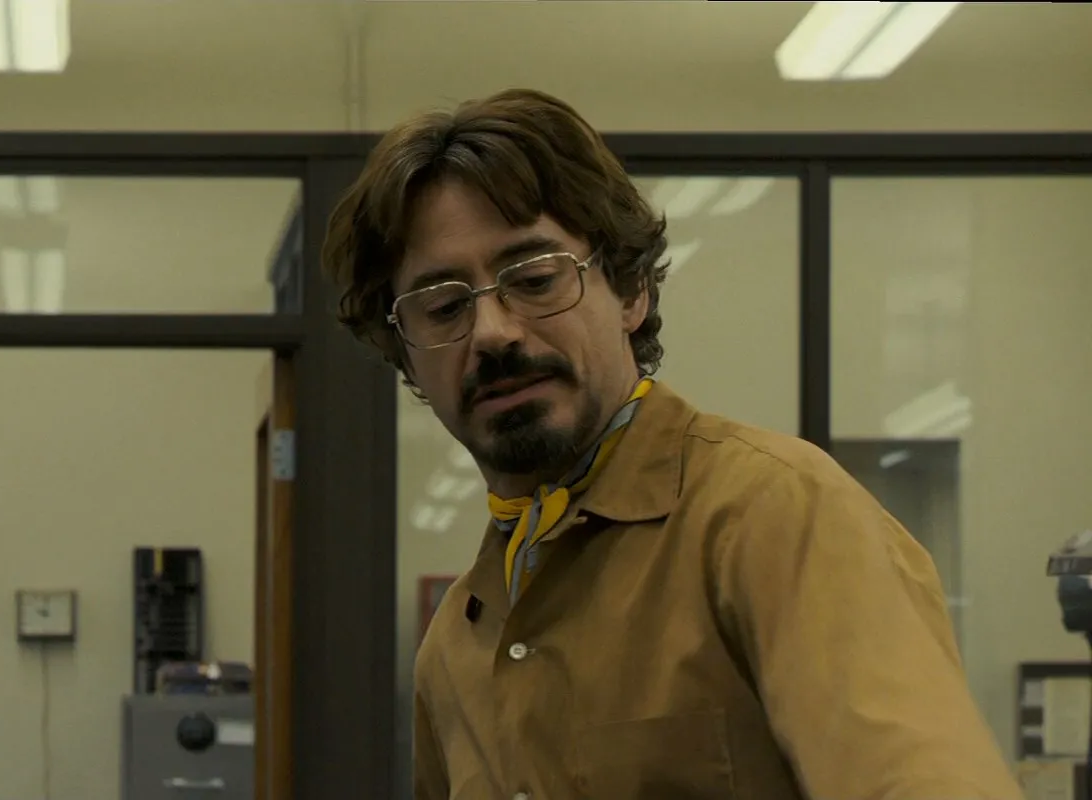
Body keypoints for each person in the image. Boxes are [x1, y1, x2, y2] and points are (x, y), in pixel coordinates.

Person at [323, 89, 1022, 800]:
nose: (493, 332)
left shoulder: (772, 517)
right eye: (444, 306)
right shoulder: (454, 648)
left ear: (631, 292)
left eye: (534, 280)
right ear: (407, 359)